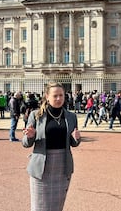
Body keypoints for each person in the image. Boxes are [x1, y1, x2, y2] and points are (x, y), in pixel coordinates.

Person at [22, 81, 81, 211]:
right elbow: (26, 143)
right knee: (39, 207)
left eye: (61, 95)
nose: (59, 98)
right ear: (47, 97)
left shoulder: (71, 116)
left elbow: (73, 143)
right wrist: (30, 136)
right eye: (55, 96)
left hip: (62, 166)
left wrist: (76, 138)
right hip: (41, 166)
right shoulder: (36, 115)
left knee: (57, 207)